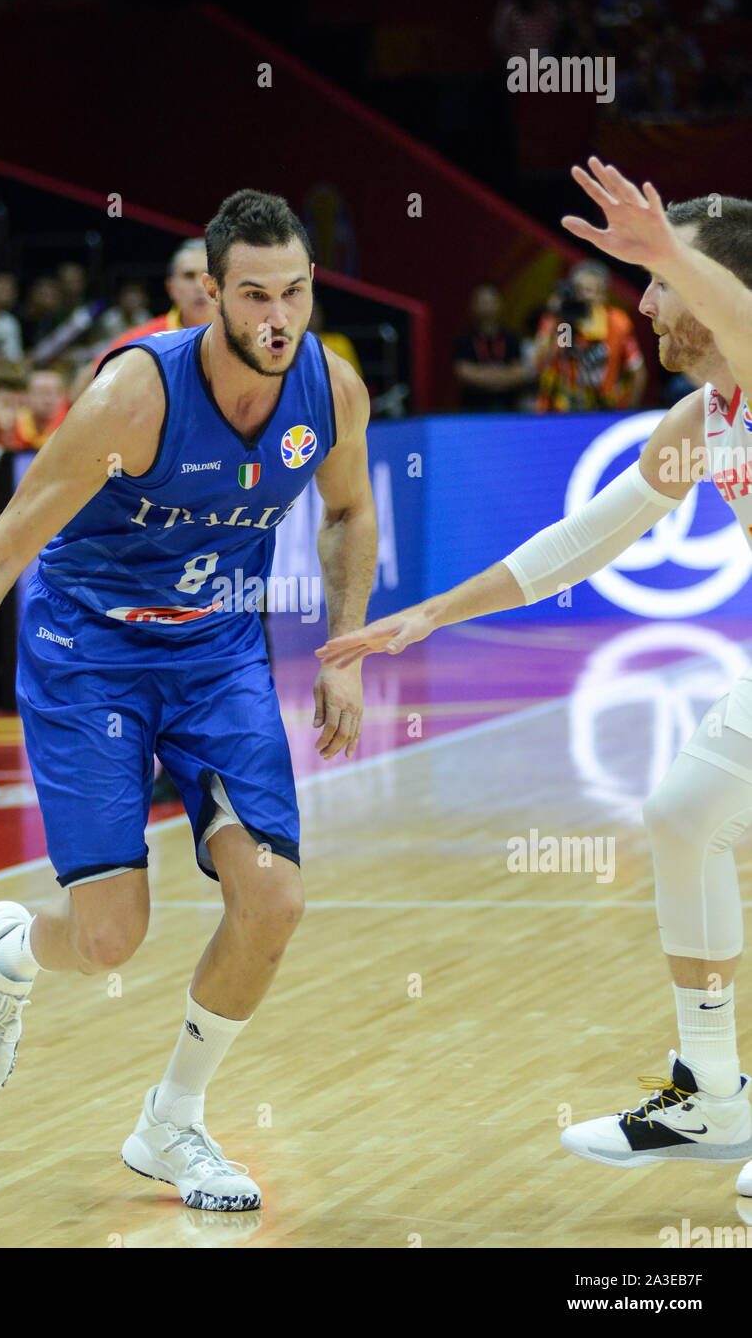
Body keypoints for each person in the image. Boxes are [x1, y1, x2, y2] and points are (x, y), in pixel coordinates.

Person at [0, 189, 377, 1212]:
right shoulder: (134, 396)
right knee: (111, 936)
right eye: (254, 295)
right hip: (89, 654)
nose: (278, 316)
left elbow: (348, 511)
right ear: (210, 294)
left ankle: (174, 1122)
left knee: (276, 898)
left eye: (294, 291)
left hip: (217, 653)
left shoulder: (331, 391)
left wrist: (344, 644)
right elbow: (8, 539)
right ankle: (7, 952)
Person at [317, 158, 752, 1186]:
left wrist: (676, 252)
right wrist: (425, 614)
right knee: (686, 811)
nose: (642, 305)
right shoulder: (701, 423)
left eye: (656, 282)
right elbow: (578, 545)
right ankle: (715, 1093)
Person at [70, 239, 214, 400]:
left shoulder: (240, 335)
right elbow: (81, 390)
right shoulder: (138, 340)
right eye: (189, 276)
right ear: (170, 288)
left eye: (207, 275)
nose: (200, 286)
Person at [533, 260, 647, 411]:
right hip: (559, 413)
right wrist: (554, 319)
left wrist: (626, 413)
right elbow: (540, 365)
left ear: (603, 296)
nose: (583, 297)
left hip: (602, 411)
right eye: (578, 290)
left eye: (589, 291)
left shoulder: (617, 324)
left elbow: (638, 373)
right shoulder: (563, 323)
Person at [453, 284, 530, 410]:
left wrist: (485, 376)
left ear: (500, 304)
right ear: (473, 306)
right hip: (473, 409)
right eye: (483, 302)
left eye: (491, 301)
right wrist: (502, 377)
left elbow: (520, 372)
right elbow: (463, 371)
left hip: (508, 408)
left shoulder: (512, 338)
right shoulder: (465, 339)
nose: (487, 306)